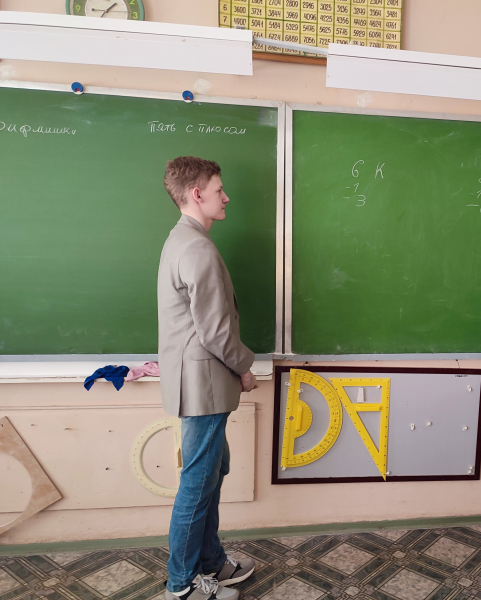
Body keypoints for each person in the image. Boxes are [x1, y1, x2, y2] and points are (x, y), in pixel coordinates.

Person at [158, 157, 259, 600]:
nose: (226, 197)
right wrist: (244, 367)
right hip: (203, 385)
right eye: (219, 190)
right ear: (197, 194)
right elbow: (216, 332)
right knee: (198, 485)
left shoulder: (183, 239)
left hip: (200, 383)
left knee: (213, 473)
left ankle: (212, 562)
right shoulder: (196, 248)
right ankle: (181, 585)